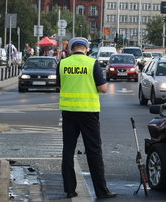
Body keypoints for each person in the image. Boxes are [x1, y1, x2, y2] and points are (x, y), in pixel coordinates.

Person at [56, 37, 116, 199]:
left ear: (71, 49)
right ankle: (101, 191)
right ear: (86, 48)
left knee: (68, 150)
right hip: (89, 112)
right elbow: (103, 88)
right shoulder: (92, 63)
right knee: (93, 151)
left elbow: (60, 85)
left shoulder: (62, 63)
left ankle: (69, 189)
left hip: (68, 112)